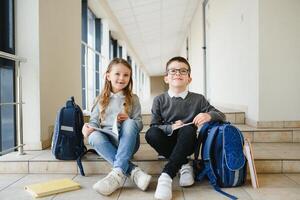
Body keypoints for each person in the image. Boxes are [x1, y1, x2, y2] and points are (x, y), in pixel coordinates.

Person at [145, 56, 226, 200]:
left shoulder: (198, 99)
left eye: (183, 71)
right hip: (167, 142)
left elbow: (221, 115)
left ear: (189, 78)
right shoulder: (159, 100)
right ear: (166, 78)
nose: (178, 74)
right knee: (151, 134)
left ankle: (166, 176)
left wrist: (208, 116)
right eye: (173, 71)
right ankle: (184, 164)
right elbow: (155, 125)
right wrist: (171, 127)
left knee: (188, 129)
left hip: (188, 142)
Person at [82, 58, 152, 196]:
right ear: (108, 76)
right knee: (93, 135)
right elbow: (94, 122)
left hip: (128, 142)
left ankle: (117, 174)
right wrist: (88, 128)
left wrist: (128, 119)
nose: (122, 78)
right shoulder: (99, 99)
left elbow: (139, 124)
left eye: (126, 75)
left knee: (131, 123)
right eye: (117, 74)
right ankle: (132, 171)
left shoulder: (134, 99)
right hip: (108, 141)